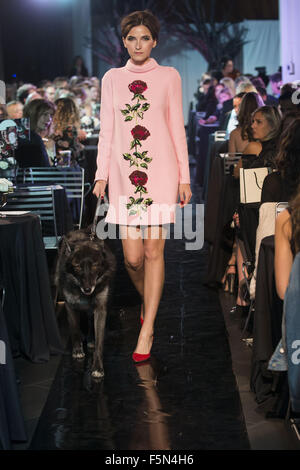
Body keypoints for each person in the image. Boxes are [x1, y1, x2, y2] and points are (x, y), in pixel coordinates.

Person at [93, 10, 192, 363]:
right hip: (123, 173)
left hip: (162, 171)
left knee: (153, 253)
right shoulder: (112, 78)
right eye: (132, 38)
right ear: (124, 42)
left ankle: (147, 327)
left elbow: (176, 127)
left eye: (145, 38)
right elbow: (107, 129)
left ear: (155, 41)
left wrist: (184, 177)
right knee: (133, 259)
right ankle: (148, 303)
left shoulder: (169, 76)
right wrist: (100, 174)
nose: (138, 44)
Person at [15, 99, 55, 167]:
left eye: (51, 115)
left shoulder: (31, 137)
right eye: (45, 114)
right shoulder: (32, 140)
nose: (49, 119)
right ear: (33, 114)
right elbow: (44, 170)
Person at [52, 97, 85, 166]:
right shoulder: (70, 129)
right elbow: (75, 153)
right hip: (69, 167)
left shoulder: (51, 128)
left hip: (55, 165)